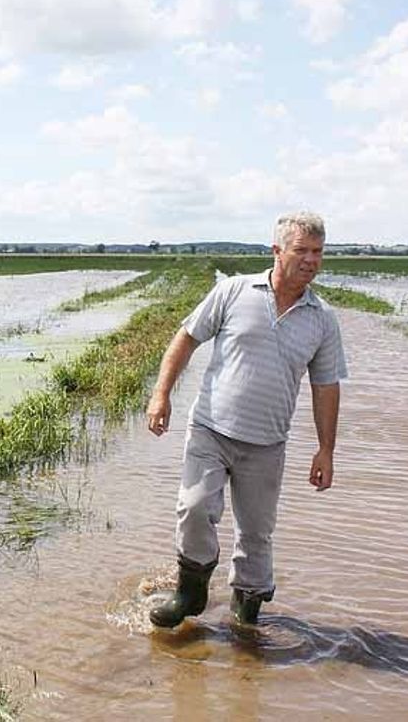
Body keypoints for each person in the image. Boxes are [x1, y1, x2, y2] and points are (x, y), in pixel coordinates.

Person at [145, 211, 347, 628]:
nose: (311, 260)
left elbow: (325, 387)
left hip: (268, 442)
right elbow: (186, 338)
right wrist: (161, 394)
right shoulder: (234, 291)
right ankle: (191, 592)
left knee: (256, 533)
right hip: (211, 429)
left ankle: (246, 615)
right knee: (195, 507)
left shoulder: (322, 318)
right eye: (301, 250)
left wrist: (326, 449)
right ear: (276, 251)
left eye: (318, 252)